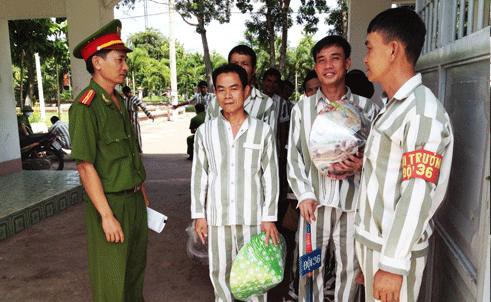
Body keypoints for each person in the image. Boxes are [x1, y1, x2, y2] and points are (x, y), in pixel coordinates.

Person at [356, 8, 454, 302]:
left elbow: (417, 192)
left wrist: (392, 266)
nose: (365, 58)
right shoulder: (393, 107)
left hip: (393, 255)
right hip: (377, 250)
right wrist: (368, 260)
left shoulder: (422, 113)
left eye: (370, 48)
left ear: (393, 49)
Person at [287, 35, 380, 302]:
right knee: (309, 267)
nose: (328, 66)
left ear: (347, 63)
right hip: (313, 207)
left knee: (349, 270)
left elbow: (377, 156)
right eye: (321, 60)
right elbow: (293, 157)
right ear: (316, 67)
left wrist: (362, 164)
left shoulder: (366, 110)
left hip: (352, 206)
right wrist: (304, 194)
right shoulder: (302, 110)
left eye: (335, 58)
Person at [68, 19, 151, 302]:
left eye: (125, 59)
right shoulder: (85, 107)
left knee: (134, 275)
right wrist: (106, 216)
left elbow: (128, 152)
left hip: (134, 201)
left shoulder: (117, 100)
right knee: (112, 280)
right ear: (98, 62)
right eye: (119, 59)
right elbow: (85, 165)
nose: (125, 66)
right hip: (110, 204)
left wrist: (141, 190)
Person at [191, 63, 280, 302]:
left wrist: (269, 217)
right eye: (221, 90)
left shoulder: (262, 131)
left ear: (247, 90)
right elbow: (200, 175)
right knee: (220, 275)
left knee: (256, 277)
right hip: (218, 219)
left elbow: (270, 175)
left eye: (234, 88)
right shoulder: (205, 132)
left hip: (254, 219)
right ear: (215, 93)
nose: (227, 95)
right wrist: (199, 214)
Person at [206, 45, 277, 135]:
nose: (239, 68)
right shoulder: (214, 104)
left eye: (245, 64)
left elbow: (270, 141)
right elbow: (206, 137)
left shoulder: (266, 103)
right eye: (235, 64)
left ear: (254, 69)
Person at [122, 85, 154, 152]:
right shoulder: (125, 99)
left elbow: (143, 107)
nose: (125, 95)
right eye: (124, 94)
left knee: (136, 136)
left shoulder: (135, 99)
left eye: (126, 94)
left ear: (129, 92)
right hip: (126, 122)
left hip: (134, 121)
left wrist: (149, 115)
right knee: (128, 137)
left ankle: (139, 150)